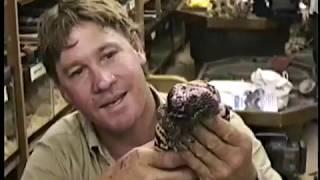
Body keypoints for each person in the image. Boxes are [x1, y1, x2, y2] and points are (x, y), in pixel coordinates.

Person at [21, 0, 282, 179]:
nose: (102, 81)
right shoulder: (55, 157)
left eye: (109, 54)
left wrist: (249, 177)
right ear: (64, 93)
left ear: (137, 47)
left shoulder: (217, 130)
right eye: (77, 72)